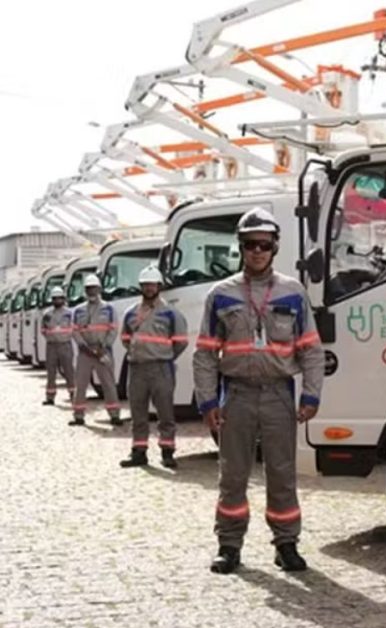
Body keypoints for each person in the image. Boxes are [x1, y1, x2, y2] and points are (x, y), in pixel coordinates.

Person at [194, 207, 325, 575]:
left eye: (264, 244)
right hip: (235, 395)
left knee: (282, 473)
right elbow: (205, 353)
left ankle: (286, 544)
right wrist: (208, 401)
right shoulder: (220, 294)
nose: (257, 251)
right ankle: (229, 545)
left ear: (275, 247)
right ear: (240, 247)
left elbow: (312, 349)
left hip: (278, 395)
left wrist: (311, 395)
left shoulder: (293, 292)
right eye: (250, 244)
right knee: (233, 474)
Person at [119, 265, 188, 469]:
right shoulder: (131, 313)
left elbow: (181, 341)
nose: (149, 288)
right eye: (145, 284)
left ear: (159, 286)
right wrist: (137, 352)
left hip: (161, 368)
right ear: (140, 286)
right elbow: (125, 338)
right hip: (137, 369)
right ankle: (139, 452)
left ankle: (167, 452)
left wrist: (165, 355)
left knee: (165, 413)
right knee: (138, 413)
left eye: (152, 284)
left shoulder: (171, 313)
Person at [69, 274, 122, 427]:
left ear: (99, 289)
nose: (91, 291)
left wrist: (104, 346)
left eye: (94, 288)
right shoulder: (78, 310)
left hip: (103, 351)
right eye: (88, 288)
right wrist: (83, 345)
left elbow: (113, 330)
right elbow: (74, 330)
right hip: (85, 352)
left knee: (109, 384)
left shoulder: (109, 309)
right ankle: (78, 416)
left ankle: (114, 415)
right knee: (81, 385)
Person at [40, 286, 75, 405]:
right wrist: (50, 336)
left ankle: (73, 394)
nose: (57, 300)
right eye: (55, 298)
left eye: (59, 298)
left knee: (69, 371)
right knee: (51, 372)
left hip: (65, 345)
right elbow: (43, 329)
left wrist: (64, 335)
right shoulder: (47, 314)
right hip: (51, 346)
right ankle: (50, 397)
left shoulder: (69, 313)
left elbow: (74, 328)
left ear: (63, 299)